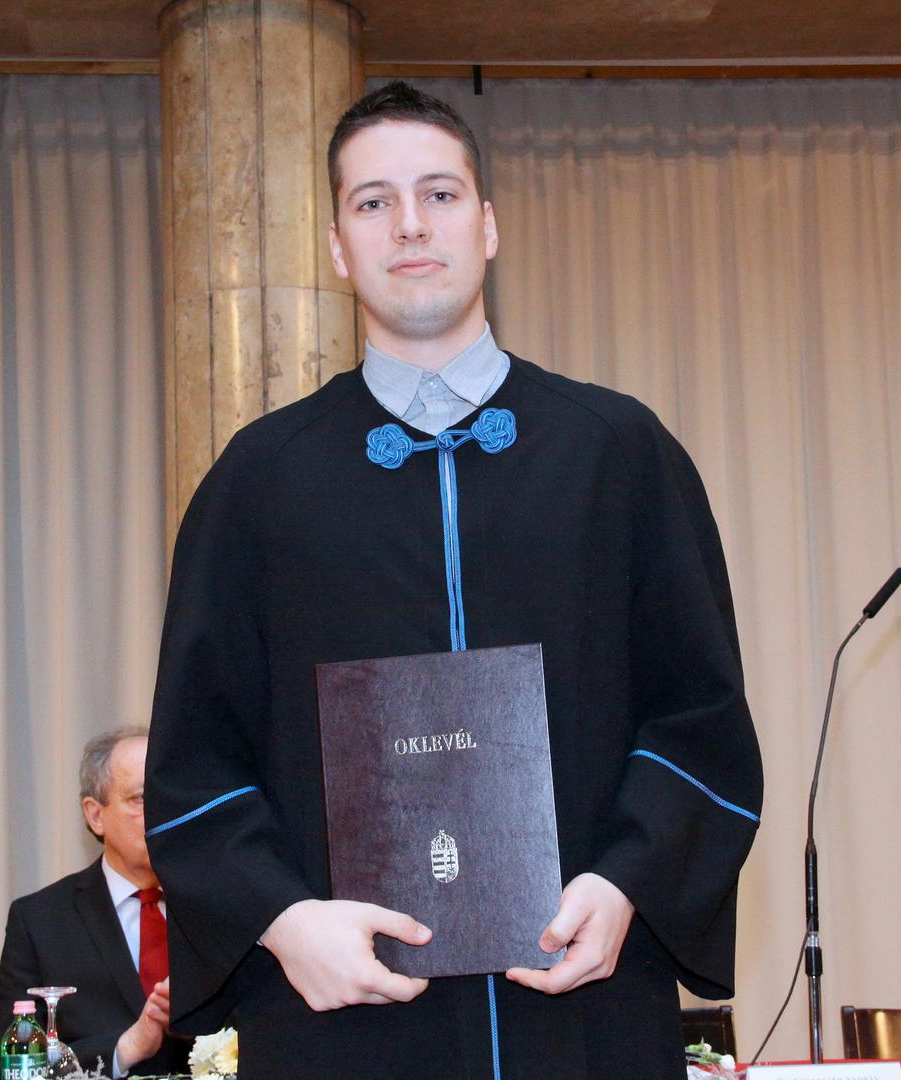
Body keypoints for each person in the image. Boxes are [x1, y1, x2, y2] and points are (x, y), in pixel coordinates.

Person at [145, 81, 764, 1078]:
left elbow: (699, 720)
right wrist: (283, 920)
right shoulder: (258, 482)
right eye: (372, 201)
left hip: (582, 1007)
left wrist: (626, 883)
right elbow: (194, 762)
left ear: (488, 225)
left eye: (438, 194)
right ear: (337, 248)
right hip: (344, 1025)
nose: (409, 224)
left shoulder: (617, 454)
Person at [0, 730, 189, 1077]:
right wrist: (123, 1049)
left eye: (170, 793)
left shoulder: (218, 908)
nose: (163, 811)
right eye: (141, 798)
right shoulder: (40, 921)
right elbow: (12, 1062)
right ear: (95, 815)